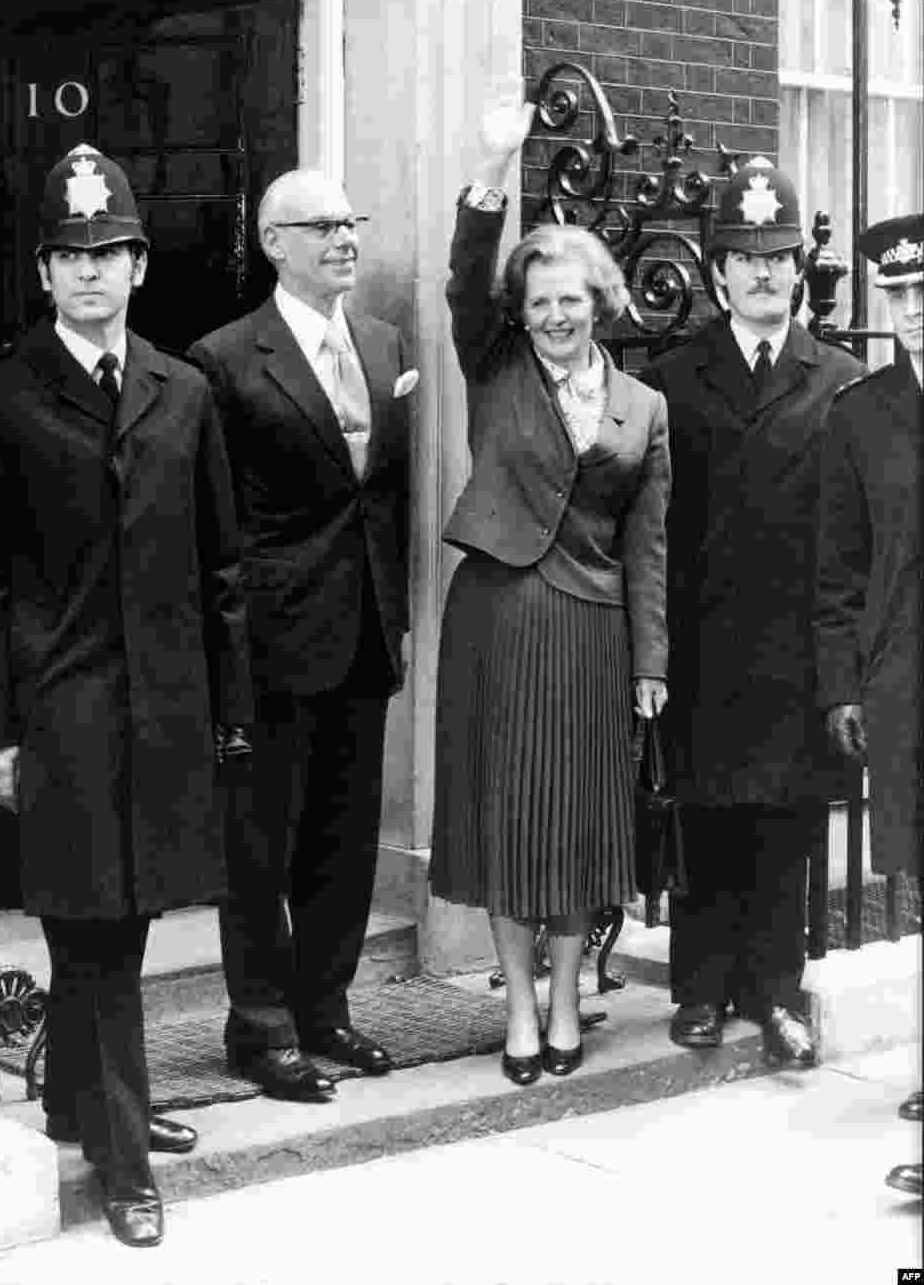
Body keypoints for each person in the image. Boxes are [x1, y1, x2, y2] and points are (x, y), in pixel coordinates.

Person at [0, 144, 252, 1247]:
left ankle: (77, 1097)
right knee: (97, 935)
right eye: (69, 255)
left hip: (164, 709)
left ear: (137, 264)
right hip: (58, 711)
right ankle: (121, 1164)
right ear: (41, 273)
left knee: (119, 922)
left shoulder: (184, 393)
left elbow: (223, 569)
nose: (89, 273)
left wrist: (231, 712)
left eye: (107, 251)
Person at [428, 96, 670, 1085]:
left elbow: (649, 545)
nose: (555, 316)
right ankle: (518, 1008)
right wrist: (495, 164)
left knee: (571, 827)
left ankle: (569, 999)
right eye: (538, 303)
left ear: (598, 302)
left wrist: (651, 663)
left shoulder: (642, 407)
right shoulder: (493, 366)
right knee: (503, 818)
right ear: (518, 314)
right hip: (495, 618)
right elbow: (459, 281)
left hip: (590, 631)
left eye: (570, 300)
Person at [187, 169, 414, 1102]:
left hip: (364, 633)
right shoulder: (224, 359)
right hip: (272, 645)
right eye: (320, 226)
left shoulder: (382, 340)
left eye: (350, 222)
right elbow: (213, 525)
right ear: (273, 242)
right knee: (261, 844)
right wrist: (226, 656)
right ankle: (262, 1028)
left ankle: (327, 1010)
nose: (343, 239)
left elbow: (386, 497)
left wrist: (393, 612)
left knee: (344, 838)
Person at [641, 158, 865, 1065]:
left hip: (801, 651)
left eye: (778, 256)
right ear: (717, 272)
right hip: (703, 647)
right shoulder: (672, 379)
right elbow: (651, 529)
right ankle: (700, 989)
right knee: (705, 823)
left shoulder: (842, 379)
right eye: (745, 257)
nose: (765, 272)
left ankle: (777, 993)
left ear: (798, 269)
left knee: (785, 830)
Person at [814, 212, 922, 1197]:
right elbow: (838, 572)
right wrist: (842, 685)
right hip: (903, 684)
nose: (918, 313)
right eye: (900, 299)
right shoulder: (862, 413)